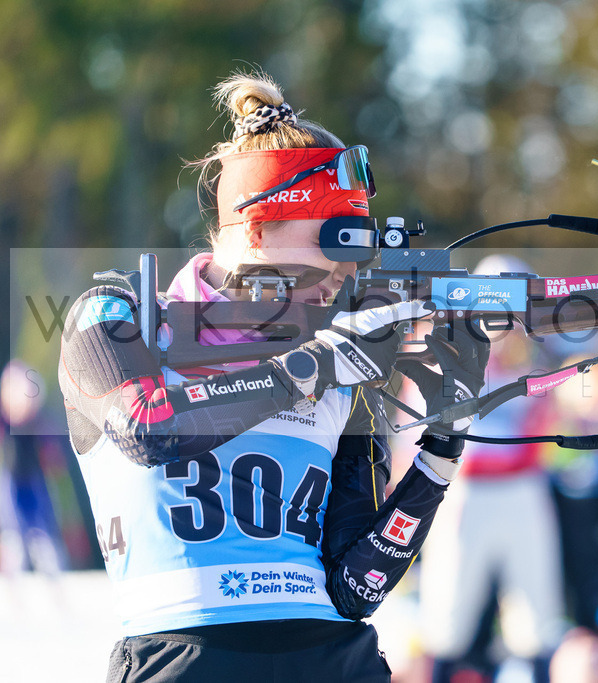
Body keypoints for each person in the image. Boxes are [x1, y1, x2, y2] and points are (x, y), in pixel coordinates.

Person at [57, 70, 488, 682]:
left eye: (361, 248)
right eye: (335, 243)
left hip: (335, 659)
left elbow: (356, 587)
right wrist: (309, 369)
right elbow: (147, 428)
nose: (349, 269)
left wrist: (441, 451)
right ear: (256, 229)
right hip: (185, 660)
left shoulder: (339, 352)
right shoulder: (120, 313)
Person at [418, 255, 565, 683]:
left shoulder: (537, 360)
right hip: (462, 491)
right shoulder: (442, 356)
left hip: (522, 488)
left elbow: (545, 436)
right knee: (448, 609)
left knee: (536, 609)